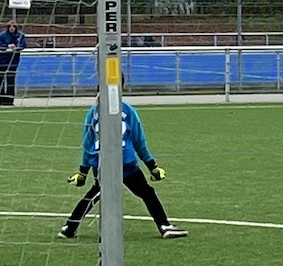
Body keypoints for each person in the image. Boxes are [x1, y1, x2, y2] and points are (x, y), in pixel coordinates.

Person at [58, 92, 187, 239]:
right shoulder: (128, 110)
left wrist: (83, 172)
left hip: (102, 163)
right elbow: (139, 141)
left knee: (96, 193)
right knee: (146, 193)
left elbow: (88, 143)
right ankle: (164, 226)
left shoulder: (93, 112)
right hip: (125, 162)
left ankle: (69, 227)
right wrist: (152, 166)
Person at [0, 19, 27, 106]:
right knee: (0, 81)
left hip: (13, 61)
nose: (12, 28)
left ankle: (10, 100)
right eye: (10, 26)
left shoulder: (20, 36)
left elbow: (23, 45)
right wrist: (7, 46)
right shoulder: (2, 35)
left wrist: (16, 47)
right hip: (1, 61)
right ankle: (1, 100)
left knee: (11, 80)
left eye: (13, 26)